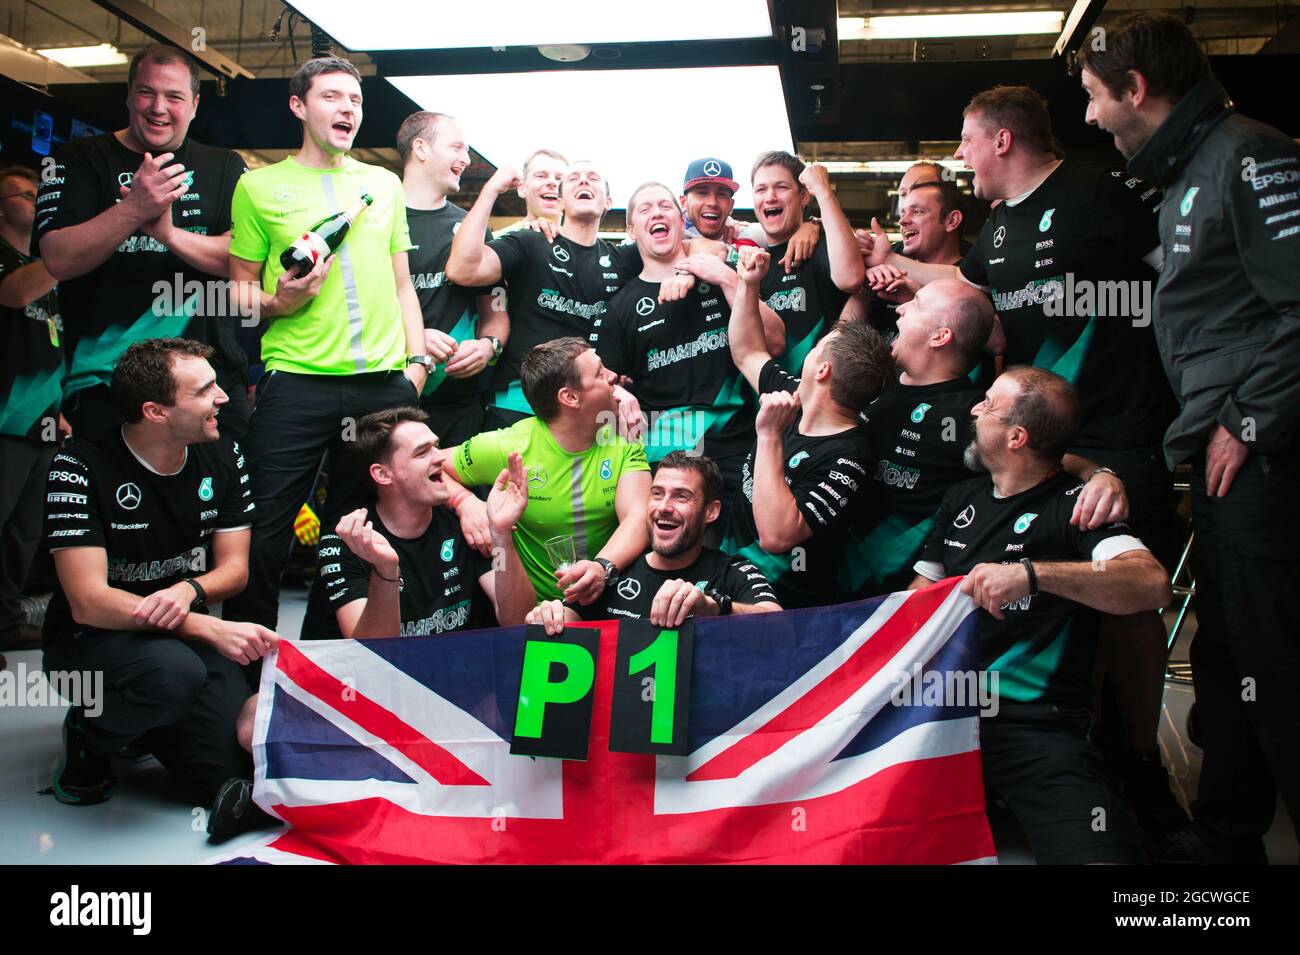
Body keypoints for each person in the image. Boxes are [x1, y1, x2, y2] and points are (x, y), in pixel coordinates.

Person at [876, 85, 1185, 832]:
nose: (960, 157)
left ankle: (1138, 759)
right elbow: (965, 291)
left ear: (1002, 140)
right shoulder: (999, 231)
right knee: (1031, 595)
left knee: (1125, 600)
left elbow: (1183, 279)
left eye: (965, 140)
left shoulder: (1098, 192)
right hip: (1037, 443)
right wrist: (887, 265)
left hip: (1118, 436)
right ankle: (1059, 742)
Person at [1077, 11, 1300, 865]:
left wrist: (1248, 421)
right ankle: (1227, 831)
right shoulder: (1188, 173)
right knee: (1231, 649)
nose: (1093, 118)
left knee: (1274, 662)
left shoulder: (1251, 155)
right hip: (1220, 454)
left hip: (1261, 455)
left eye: (1097, 98)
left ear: (1136, 89)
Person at [912, 367, 1171, 864]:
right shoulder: (961, 497)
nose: (973, 410)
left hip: (1034, 725)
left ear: (1017, 436)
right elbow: (917, 598)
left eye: (987, 404)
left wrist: (1031, 575)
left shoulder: (1077, 506)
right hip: (939, 712)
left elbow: (1151, 582)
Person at [222, 56, 429, 632]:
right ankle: (248, 675)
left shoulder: (383, 184)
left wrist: (415, 367)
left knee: (358, 534)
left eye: (356, 100)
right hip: (297, 382)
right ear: (299, 106)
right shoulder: (258, 187)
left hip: (383, 388)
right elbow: (237, 292)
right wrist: (277, 302)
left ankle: (330, 662)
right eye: (332, 97)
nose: (347, 109)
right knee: (264, 529)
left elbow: (403, 283)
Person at [41, 338, 277, 815]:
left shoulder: (225, 455)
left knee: (234, 781)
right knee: (172, 677)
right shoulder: (78, 466)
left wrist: (190, 590)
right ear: (155, 411)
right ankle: (91, 731)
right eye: (205, 390)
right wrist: (202, 623)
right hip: (92, 639)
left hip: (178, 640)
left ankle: (148, 724)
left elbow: (234, 570)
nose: (224, 397)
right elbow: (89, 601)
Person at [34, 45, 251, 440]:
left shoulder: (224, 167)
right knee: (115, 500)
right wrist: (133, 209)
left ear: (195, 104)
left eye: (174, 96)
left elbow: (243, 260)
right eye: (147, 93)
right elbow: (58, 259)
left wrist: (168, 235)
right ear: (129, 96)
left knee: (223, 500)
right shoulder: (78, 158)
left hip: (211, 380)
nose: (159, 107)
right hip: (106, 380)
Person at [598, 182, 783, 516]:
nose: (657, 212)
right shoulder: (620, 308)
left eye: (665, 206)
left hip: (738, 444)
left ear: (680, 219)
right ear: (630, 230)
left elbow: (775, 341)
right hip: (667, 457)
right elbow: (600, 381)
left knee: (745, 552)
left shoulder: (719, 273)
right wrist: (617, 394)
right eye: (645, 209)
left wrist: (729, 280)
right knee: (674, 557)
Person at [723, 247, 891, 609]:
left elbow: (778, 534)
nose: (811, 350)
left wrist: (769, 437)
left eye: (818, 348)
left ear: (822, 371)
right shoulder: (792, 396)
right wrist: (748, 285)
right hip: (730, 576)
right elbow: (747, 351)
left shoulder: (851, 456)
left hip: (786, 609)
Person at [443, 337, 650, 605]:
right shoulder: (511, 447)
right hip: (539, 612)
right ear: (570, 397)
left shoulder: (622, 437)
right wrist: (465, 502)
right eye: (600, 373)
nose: (613, 377)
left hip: (614, 597)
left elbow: (637, 517)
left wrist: (601, 567)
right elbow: (431, 465)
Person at [446, 160, 643, 431]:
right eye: (574, 178)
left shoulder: (624, 260)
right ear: (560, 202)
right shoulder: (530, 242)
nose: (584, 181)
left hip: (585, 409)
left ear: (608, 201)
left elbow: (685, 249)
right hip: (518, 404)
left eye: (593, 178)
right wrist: (491, 190)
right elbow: (461, 269)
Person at [528, 452, 781, 631]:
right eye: (657, 494)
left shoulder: (731, 571)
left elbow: (782, 627)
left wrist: (713, 608)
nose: (663, 507)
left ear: (710, 511)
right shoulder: (614, 573)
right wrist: (549, 616)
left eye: (681, 496)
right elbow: (569, 620)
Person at [397, 110, 509, 445]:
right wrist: (412, 337)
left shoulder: (471, 229)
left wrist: (489, 346)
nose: (466, 158)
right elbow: (350, 307)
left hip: (458, 406)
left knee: (459, 498)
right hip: (390, 396)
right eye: (457, 148)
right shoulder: (376, 219)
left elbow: (497, 310)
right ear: (421, 148)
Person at [0, 164, 63, 654]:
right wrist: (66, 255)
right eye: (24, 194)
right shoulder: (21, 266)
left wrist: (59, 408)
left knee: (25, 532)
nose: (34, 199)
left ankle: (4, 622)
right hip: (5, 416)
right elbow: (14, 294)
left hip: (43, 420)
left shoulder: (49, 273)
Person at [749, 153, 864, 377]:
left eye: (781, 187)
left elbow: (851, 278)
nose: (770, 197)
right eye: (760, 190)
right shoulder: (751, 263)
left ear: (803, 196)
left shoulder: (822, 245)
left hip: (822, 396)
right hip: (766, 402)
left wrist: (822, 191)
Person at [493, 148, 568, 235]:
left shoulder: (581, 242)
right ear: (522, 188)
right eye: (541, 176)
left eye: (560, 178)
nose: (552, 182)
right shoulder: (495, 242)